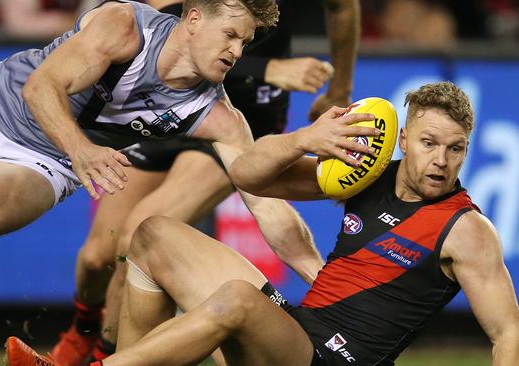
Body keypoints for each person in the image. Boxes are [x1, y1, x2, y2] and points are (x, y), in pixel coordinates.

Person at [7, 82, 519, 366]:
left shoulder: (467, 229)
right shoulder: (368, 172)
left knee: (236, 299)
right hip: (300, 334)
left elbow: (510, 337)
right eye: (429, 143)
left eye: (455, 148)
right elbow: (251, 174)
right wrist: (305, 140)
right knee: (153, 234)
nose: (441, 160)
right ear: (403, 141)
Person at [0, 0, 378, 315]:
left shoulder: (217, 115)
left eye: (245, 42)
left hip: (45, 160)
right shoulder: (124, 26)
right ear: (193, 19)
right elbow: (41, 87)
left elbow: (266, 201)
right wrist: (84, 150)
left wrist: (322, 280)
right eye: (231, 35)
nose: (237, 51)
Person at [48, 0, 360, 364]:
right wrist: (265, 68)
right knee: (96, 256)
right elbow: (159, 20)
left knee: (138, 233)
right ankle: (83, 329)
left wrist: (340, 88)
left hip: (233, 119)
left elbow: (342, 7)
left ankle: (100, 356)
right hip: (164, 106)